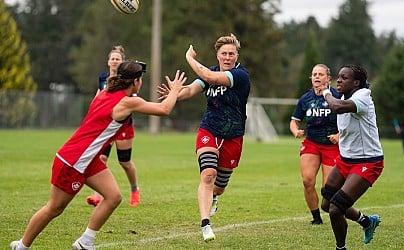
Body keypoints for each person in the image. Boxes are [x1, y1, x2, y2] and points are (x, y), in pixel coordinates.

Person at [9, 61, 186, 250]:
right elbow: (164, 109)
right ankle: (22, 245)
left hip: (88, 159)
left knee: (113, 196)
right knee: (54, 208)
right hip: (74, 160)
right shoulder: (127, 102)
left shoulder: (105, 92)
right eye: (140, 79)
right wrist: (175, 89)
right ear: (135, 82)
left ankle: (85, 241)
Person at [158, 34, 250, 242]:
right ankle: (205, 224)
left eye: (231, 54)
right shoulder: (211, 71)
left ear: (237, 56)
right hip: (209, 129)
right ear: (217, 55)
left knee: (219, 185)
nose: (227, 57)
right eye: (224, 53)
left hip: (233, 136)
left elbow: (209, 77)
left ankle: (215, 196)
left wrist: (189, 58)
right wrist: (174, 93)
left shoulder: (240, 75)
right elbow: (191, 89)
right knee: (208, 174)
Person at [319, 65, 384, 250]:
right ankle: (366, 221)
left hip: (368, 162)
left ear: (356, 83)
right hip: (346, 160)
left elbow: (338, 108)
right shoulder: (342, 96)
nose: (338, 80)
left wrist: (325, 92)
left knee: (335, 209)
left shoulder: (363, 96)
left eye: (344, 78)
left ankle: (341, 248)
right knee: (326, 203)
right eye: (338, 77)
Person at [86, 45, 141, 207]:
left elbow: (133, 98)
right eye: (113, 58)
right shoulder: (103, 78)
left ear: (122, 62)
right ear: (108, 61)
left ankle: (134, 190)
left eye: (118, 59)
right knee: (101, 158)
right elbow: (98, 96)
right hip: (106, 125)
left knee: (125, 162)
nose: (115, 61)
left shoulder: (128, 78)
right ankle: (97, 195)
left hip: (123, 125)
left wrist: (137, 74)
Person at [289, 64, 340, 225]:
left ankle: (339, 210)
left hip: (332, 146)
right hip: (312, 143)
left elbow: (351, 121)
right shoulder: (305, 99)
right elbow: (294, 121)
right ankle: (316, 217)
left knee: (328, 188)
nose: (317, 77)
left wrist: (340, 135)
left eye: (320, 74)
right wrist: (295, 130)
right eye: (314, 74)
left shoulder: (337, 96)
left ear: (328, 78)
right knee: (307, 180)